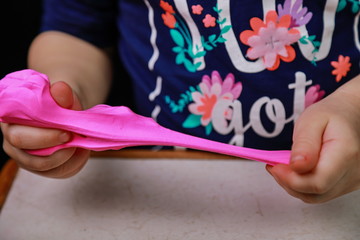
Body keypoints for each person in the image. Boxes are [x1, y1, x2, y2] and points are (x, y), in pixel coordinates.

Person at [1, 0, 359, 203]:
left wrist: (354, 110)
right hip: (162, 183)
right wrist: (67, 100)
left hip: (345, 179)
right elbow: (77, 32)